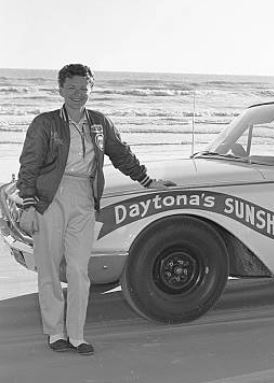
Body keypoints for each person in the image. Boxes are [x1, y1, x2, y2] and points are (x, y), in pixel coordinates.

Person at [17, 64, 174, 355]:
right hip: (49, 198)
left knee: (78, 269)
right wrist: (28, 204)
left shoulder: (100, 123)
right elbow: (29, 165)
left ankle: (76, 334)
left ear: (92, 89)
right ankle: (55, 333)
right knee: (50, 268)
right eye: (72, 88)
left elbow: (121, 153)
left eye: (83, 88)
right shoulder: (45, 123)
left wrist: (147, 180)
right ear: (60, 89)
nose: (78, 94)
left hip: (85, 198)